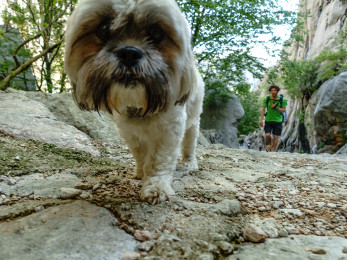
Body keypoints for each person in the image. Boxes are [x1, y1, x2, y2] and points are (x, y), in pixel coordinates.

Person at [259, 85, 287, 152]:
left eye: (275, 90)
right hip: (268, 120)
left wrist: (276, 107)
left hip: (278, 120)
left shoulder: (282, 99)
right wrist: (261, 120)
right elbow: (263, 109)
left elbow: (283, 110)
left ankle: (273, 151)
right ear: (270, 91)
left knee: (275, 136)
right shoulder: (267, 99)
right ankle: (270, 144)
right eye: (272, 90)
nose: (273, 92)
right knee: (267, 135)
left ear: (277, 91)